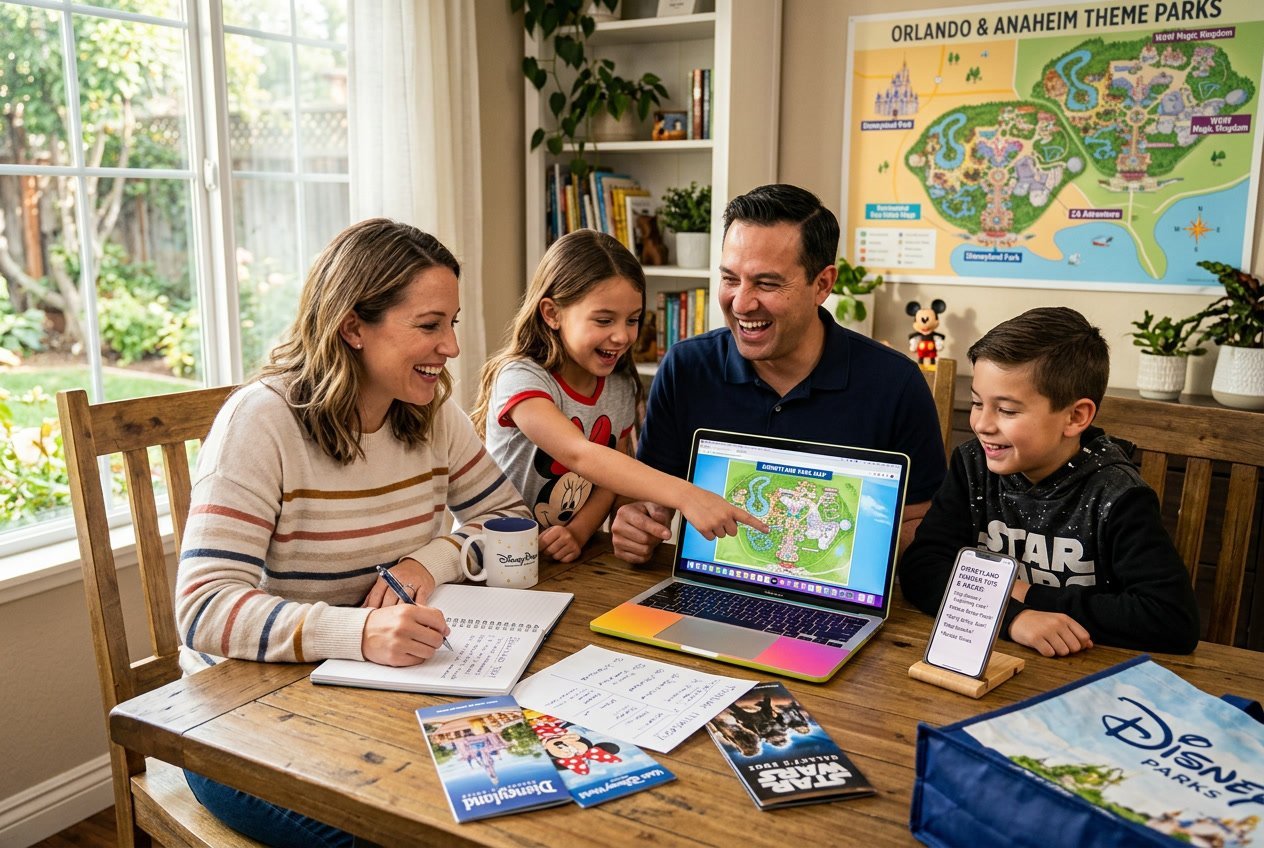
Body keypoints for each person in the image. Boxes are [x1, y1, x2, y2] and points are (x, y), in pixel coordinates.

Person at [175, 219, 531, 847]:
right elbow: (203, 610)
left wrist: (431, 561)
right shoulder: (261, 422)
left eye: (451, 322)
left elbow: (510, 521)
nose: (451, 347)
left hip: (374, 693)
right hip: (236, 718)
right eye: (429, 325)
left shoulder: (431, 411)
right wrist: (357, 632)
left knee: (515, 799)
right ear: (352, 326)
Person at [611, 184, 947, 564]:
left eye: (766, 283)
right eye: (730, 278)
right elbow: (649, 500)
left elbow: (921, 518)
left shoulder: (897, 385)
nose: (740, 302)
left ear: (822, 284)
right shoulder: (684, 369)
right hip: (706, 594)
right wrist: (635, 524)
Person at [899, 307, 1200, 657]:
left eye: (1008, 410)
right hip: (995, 656)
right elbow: (923, 568)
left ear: (1075, 417)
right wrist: (1011, 617)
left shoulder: (1118, 496)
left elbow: (1171, 619)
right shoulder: (973, 464)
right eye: (977, 403)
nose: (982, 423)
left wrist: (1029, 594)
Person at [470, 228, 766, 563]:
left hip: (552, 563)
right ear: (552, 314)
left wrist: (578, 532)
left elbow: (610, 477)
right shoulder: (521, 379)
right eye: (604, 319)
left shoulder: (620, 384)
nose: (622, 336)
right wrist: (687, 495)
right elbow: (580, 455)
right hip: (487, 556)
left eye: (633, 319)